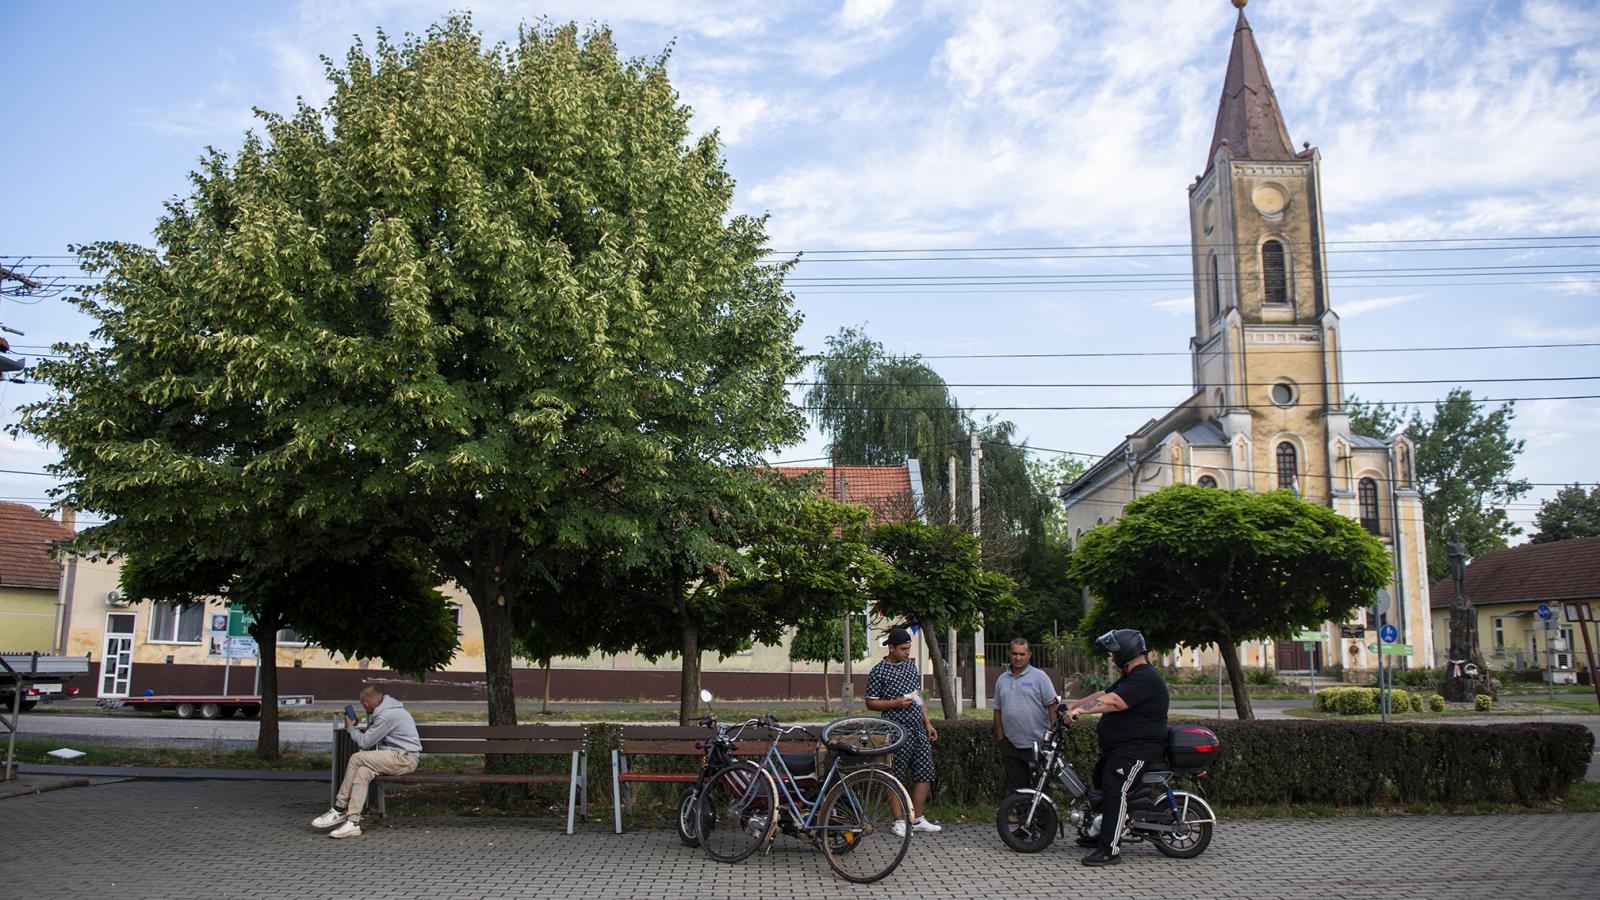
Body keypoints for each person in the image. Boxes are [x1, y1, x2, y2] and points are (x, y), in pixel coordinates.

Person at [1065, 629, 1168, 867]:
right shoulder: (1131, 676)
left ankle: (1110, 849)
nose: (1112, 657)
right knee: (1100, 782)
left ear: (1125, 651)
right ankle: (1101, 832)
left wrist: (1081, 711)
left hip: (1138, 750)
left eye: (1114, 652)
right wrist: (1072, 705)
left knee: (1114, 791)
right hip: (1122, 748)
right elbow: (1105, 693)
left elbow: (1114, 702)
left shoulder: (1145, 677)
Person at [311, 686, 422, 839]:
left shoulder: (387, 715)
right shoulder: (385, 711)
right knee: (363, 772)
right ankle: (353, 822)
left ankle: (338, 808)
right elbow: (372, 738)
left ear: (366, 704)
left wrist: (350, 727)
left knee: (357, 758)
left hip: (404, 759)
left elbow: (365, 742)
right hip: (392, 757)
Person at [865, 626, 941, 836]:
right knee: (896, 774)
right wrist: (895, 704)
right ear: (891, 648)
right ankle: (897, 820)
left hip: (918, 727)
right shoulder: (879, 671)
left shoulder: (910, 666)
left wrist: (927, 723)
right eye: (903, 649)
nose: (907, 653)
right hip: (896, 730)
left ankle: (916, 818)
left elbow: (918, 697)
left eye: (908, 649)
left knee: (924, 771)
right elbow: (870, 703)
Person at [993, 637, 1058, 792]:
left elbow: (1052, 707)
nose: (1018, 658)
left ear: (1029, 655)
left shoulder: (1040, 677)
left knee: (1040, 791)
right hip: (1011, 746)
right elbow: (997, 710)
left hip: (1037, 746)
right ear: (1009, 654)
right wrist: (1001, 739)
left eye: (1022, 654)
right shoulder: (1002, 680)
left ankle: (1042, 817)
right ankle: (1024, 817)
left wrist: (1053, 736)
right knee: (1018, 791)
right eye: (1014, 653)